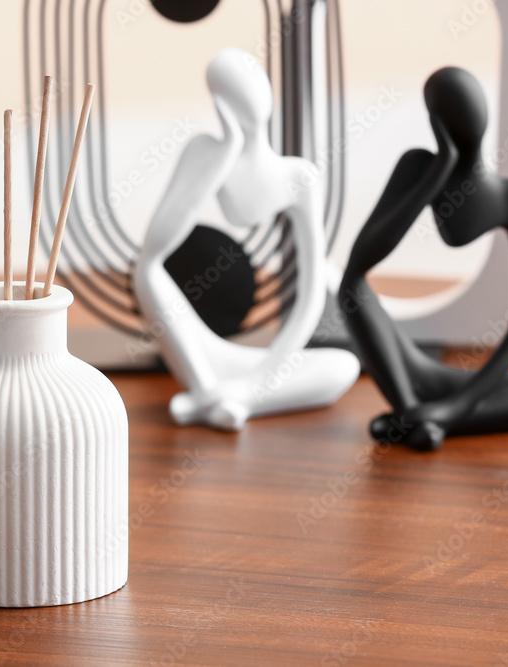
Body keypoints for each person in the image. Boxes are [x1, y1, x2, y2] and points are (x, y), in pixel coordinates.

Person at [339, 67, 508, 451]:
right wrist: (437, 173)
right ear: (434, 120)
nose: (469, 118)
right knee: (350, 289)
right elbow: (359, 265)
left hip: (463, 389)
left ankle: (423, 421)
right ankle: (412, 409)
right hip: (411, 369)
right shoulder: (417, 167)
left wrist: (455, 406)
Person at [134, 48, 359, 430]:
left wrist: (265, 375)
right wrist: (223, 157)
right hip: (205, 355)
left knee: (343, 366)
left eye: (253, 80)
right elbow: (155, 249)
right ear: (220, 102)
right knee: (146, 272)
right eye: (234, 89)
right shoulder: (204, 152)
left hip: (262, 369)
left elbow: (311, 291)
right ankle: (211, 391)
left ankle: (223, 401)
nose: (251, 96)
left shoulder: (299, 176)